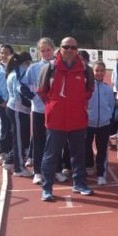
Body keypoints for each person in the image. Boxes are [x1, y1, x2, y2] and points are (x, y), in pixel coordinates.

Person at [38, 37, 93, 201]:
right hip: (56, 121)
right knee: (51, 155)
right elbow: (42, 92)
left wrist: (79, 103)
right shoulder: (50, 68)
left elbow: (89, 90)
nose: (69, 50)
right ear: (60, 49)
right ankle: (47, 188)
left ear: (77, 49)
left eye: (73, 47)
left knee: (79, 155)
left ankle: (80, 183)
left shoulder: (85, 69)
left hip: (78, 120)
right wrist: (54, 107)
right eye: (65, 47)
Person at [20, 38, 68, 185]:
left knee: (56, 142)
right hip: (40, 111)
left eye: (48, 50)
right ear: (39, 52)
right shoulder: (33, 68)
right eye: (43, 50)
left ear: (53, 49)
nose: (46, 53)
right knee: (40, 141)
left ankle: (57, 170)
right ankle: (38, 172)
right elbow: (22, 86)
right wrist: (34, 97)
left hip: (57, 111)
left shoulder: (60, 66)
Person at [3, 51, 33, 177]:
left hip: (18, 109)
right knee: (19, 139)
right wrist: (33, 102)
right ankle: (19, 168)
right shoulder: (19, 73)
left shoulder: (15, 71)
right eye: (29, 63)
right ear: (25, 62)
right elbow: (20, 93)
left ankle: (10, 161)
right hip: (17, 109)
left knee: (20, 138)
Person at [86, 61, 115, 185]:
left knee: (102, 149)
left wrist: (107, 117)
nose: (99, 73)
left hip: (104, 123)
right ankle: (88, 166)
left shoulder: (108, 89)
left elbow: (111, 105)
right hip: (88, 123)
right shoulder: (87, 87)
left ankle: (101, 174)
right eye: (96, 70)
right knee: (86, 147)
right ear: (92, 72)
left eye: (102, 70)